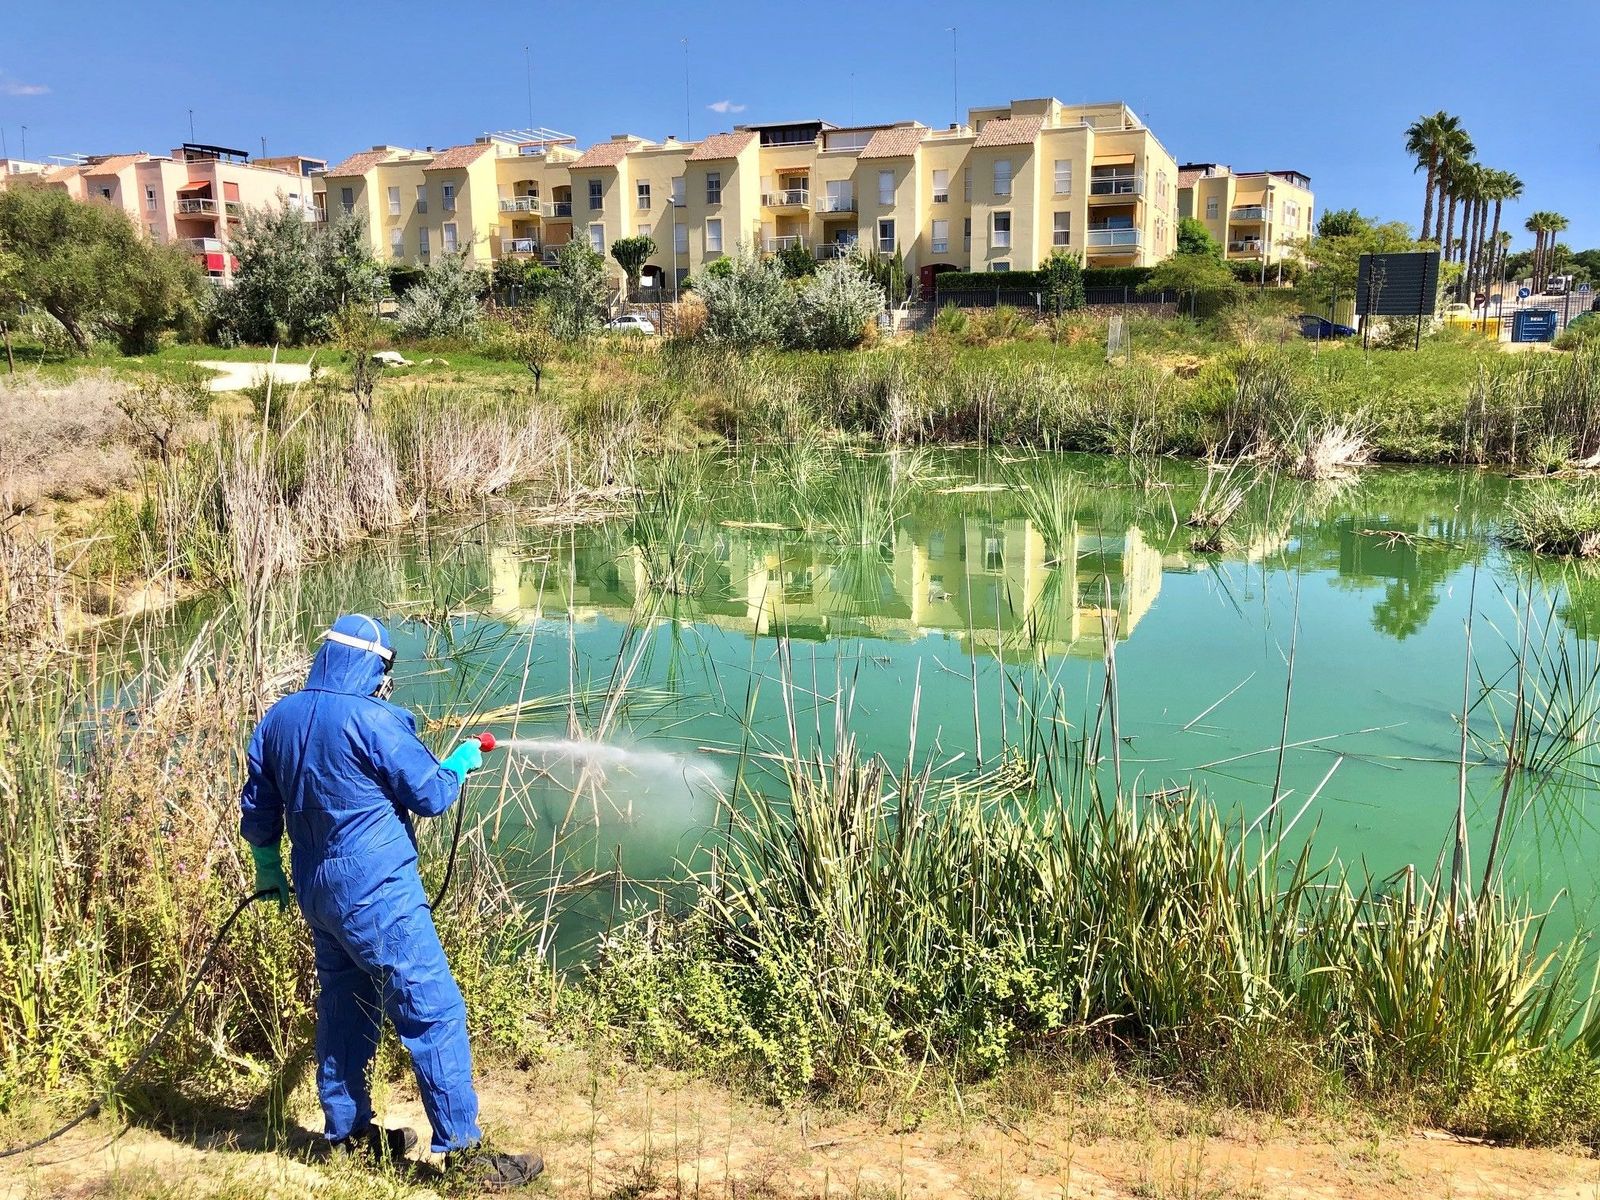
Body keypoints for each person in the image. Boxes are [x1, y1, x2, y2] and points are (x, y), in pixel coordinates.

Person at [240, 614, 542, 1189]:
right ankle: (467, 1158)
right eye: (384, 670)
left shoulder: (277, 719)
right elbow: (428, 795)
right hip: (377, 894)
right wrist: (455, 765)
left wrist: (268, 868)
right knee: (433, 1011)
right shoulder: (374, 721)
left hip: (316, 892)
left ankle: (348, 1135)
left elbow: (259, 810)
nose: (385, 682)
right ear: (368, 664)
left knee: (345, 1006)